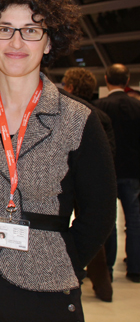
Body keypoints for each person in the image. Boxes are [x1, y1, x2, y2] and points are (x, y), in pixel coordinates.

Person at [0, 0, 117, 322]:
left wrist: (59, 257)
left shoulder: (79, 119)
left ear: (49, 43)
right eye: (5, 29)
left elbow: (98, 213)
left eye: (32, 30)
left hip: (45, 285)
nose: (16, 41)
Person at [62, 67, 116, 302]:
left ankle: (72, 270)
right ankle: (104, 282)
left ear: (70, 87)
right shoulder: (100, 116)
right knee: (101, 228)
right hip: (93, 182)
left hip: (67, 182)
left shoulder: (68, 113)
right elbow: (109, 152)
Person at [94, 63, 140, 284]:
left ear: (106, 79)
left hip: (107, 173)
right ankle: (136, 268)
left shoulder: (98, 107)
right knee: (134, 220)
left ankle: (107, 272)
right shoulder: (137, 106)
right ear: (127, 80)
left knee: (108, 222)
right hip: (133, 172)